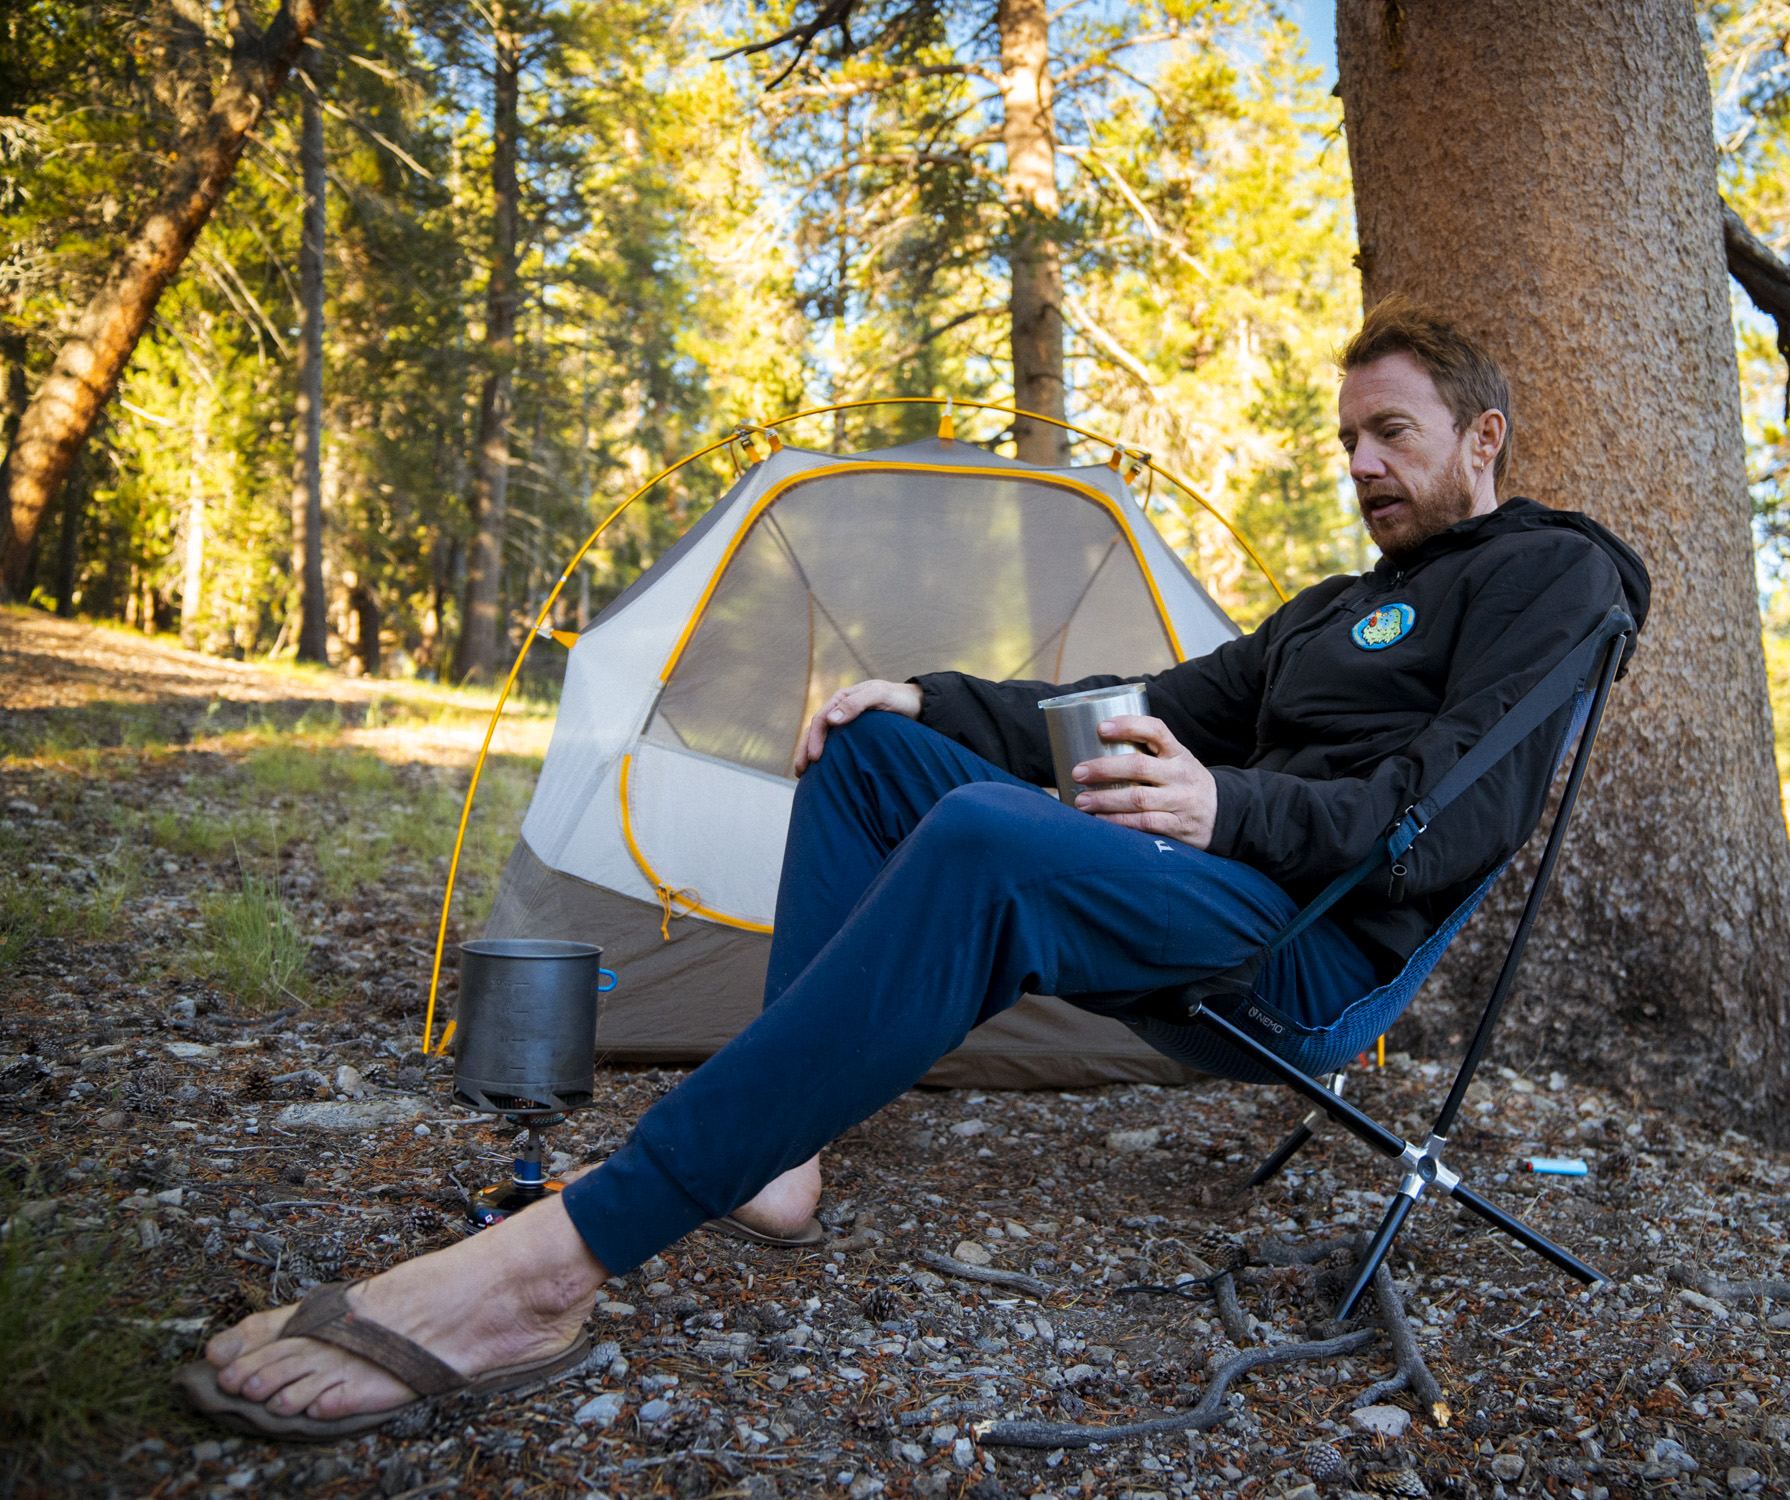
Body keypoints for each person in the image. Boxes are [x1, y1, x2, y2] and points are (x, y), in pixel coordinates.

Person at [178, 297, 1650, 1438]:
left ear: (1484, 437)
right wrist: (932, 700)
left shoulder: (1553, 573)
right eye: (1347, 441)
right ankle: (781, 1148)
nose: (1362, 465)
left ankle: (550, 1270)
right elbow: (1150, 707)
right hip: (1216, 885)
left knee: (985, 840)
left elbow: (1447, 817)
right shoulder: (1333, 608)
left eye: (1391, 432)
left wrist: (1231, 810)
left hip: (1306, 946)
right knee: (877, 752)